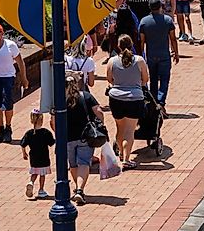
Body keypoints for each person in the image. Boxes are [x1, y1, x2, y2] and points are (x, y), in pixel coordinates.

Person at [106, 35, 149, 168]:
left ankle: (120, 153)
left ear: (118, 46)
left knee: (120, 128)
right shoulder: (139, 60)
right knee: (130, 131)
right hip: (134, 98)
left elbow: (109, 79)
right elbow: (145, 79)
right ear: (132, 45)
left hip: (116, 98)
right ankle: (126, 159)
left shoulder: (112, 61)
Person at [64, 74, 104, 205]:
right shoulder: (86, 96)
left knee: (73, 164)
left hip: (68, 137)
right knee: (84, 163)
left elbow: (53, 121)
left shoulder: (60, 99)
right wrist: (100, 124)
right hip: (85, 136)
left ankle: (77, 188)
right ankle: (80, 190)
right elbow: (99, 111)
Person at [138, 0, 180, 112]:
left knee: (153, 79)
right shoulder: (167, 20)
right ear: (160, 6)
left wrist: (141, 56)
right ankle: (161, 102)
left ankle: (154, 102)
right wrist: (176, 53)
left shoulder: (144, 22)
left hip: (151, 55)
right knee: (164, 80)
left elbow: (141, 41)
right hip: (164, 55)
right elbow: (173, 39)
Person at [20, 109, 54, 199]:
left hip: (33, 157)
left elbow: (23, 144)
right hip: (44, 156)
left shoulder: (29, 133)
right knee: (42, 174)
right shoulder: (45, 132)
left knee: (35, 172)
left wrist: (24, 153)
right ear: (41, 120)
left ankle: (31, 182)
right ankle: (41, 190)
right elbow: (51, 142)